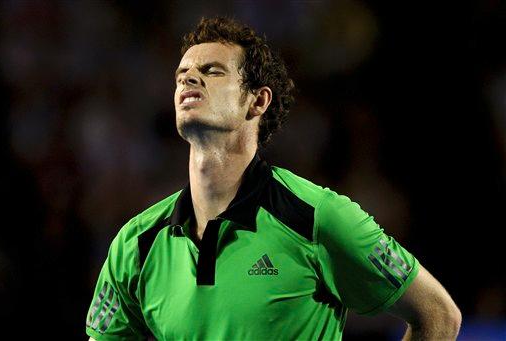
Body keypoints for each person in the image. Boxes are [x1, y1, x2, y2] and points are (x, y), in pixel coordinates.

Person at [86, 17, 461, 341]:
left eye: (212, 71)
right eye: (182, 75)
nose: (189, 80)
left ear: (257, 101)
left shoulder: (317, 217)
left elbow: (439, 317)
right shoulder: (134, 243)